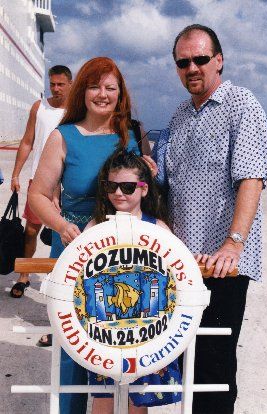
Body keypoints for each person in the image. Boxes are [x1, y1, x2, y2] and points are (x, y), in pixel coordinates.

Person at [152, 24, 267, 413]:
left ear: (218, 60)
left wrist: (233, 244)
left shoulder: (243, 104)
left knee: (215, 366)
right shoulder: (179, 114)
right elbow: (166, 185)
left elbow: (252, 177)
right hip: (183, 265)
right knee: (184, 362)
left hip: (224, 266)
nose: (192, 68)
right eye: (183, 62)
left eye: (201, 59)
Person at [29, 57, 151, 414]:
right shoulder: (62, 136)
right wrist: (62, 225)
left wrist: (149, 174)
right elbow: (37, 194)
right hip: (71, 248)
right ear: (82, 91)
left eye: (110, 88)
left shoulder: (131, 136)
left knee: (121, 343)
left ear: (120, 94)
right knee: (73, 345)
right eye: (95, 86)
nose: (102, 94)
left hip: (122, 255)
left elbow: (142, 189)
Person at [85, 150, 181, 414]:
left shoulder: (158, 228)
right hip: (105, 330)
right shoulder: (95, 227)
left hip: (146, 330)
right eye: (111, 186)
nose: (119, 193)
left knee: (139, 398)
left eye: (127, 187)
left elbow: (176, 276)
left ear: (144, 189)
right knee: (103, 394)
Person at [10, 65, 72, 298]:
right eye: (52, 84)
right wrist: (16, 174)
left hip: (67, 183)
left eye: (60, 84)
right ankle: (24, 276)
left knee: (64, 234)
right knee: (31, 230)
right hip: (40, 181)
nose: (55, 89)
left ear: (71, 84)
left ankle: (60, 279)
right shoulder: (40, 107)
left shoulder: (76, 110)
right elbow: (27, 141)